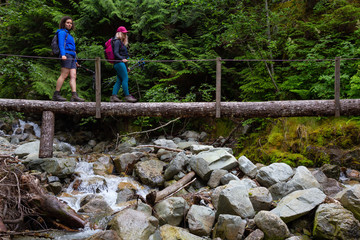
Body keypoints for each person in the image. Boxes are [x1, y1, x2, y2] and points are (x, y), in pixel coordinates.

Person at [52, 16, 84, 102]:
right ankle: (56, 94)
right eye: (67, 23)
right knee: (64, 75)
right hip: (66, 55)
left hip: (72, 57)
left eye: (70, 23)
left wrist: (76, 61)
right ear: (63, 23)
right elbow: (61, 45)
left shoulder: (69, 35)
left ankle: (74, 95)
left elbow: (73, 49)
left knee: (73, 76)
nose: (69, 24)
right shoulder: (61, 32)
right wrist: (63, 54)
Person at [110, 26, 137, 103]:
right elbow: (116, 53)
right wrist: (122, 59)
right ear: (119, 33)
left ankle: (114, 96)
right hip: (119, 63)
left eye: (126, 33)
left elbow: (125, 57)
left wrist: (126, 67)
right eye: (123, 33)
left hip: (120, 64)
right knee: (125, 79)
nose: (125, 35)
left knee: (119, 80)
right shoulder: (117, 41)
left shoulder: (120, 42)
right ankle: (127, 96)